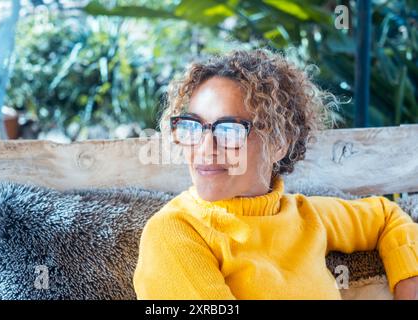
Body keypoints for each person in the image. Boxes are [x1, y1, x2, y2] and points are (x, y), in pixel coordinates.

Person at [133, 49, 418, 299]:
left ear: (280, 143)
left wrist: (408, 283)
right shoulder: (173, 232)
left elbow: (386, 216)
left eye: (229, 130)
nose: (206, 149)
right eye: (193, 126)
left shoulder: (306, 216)